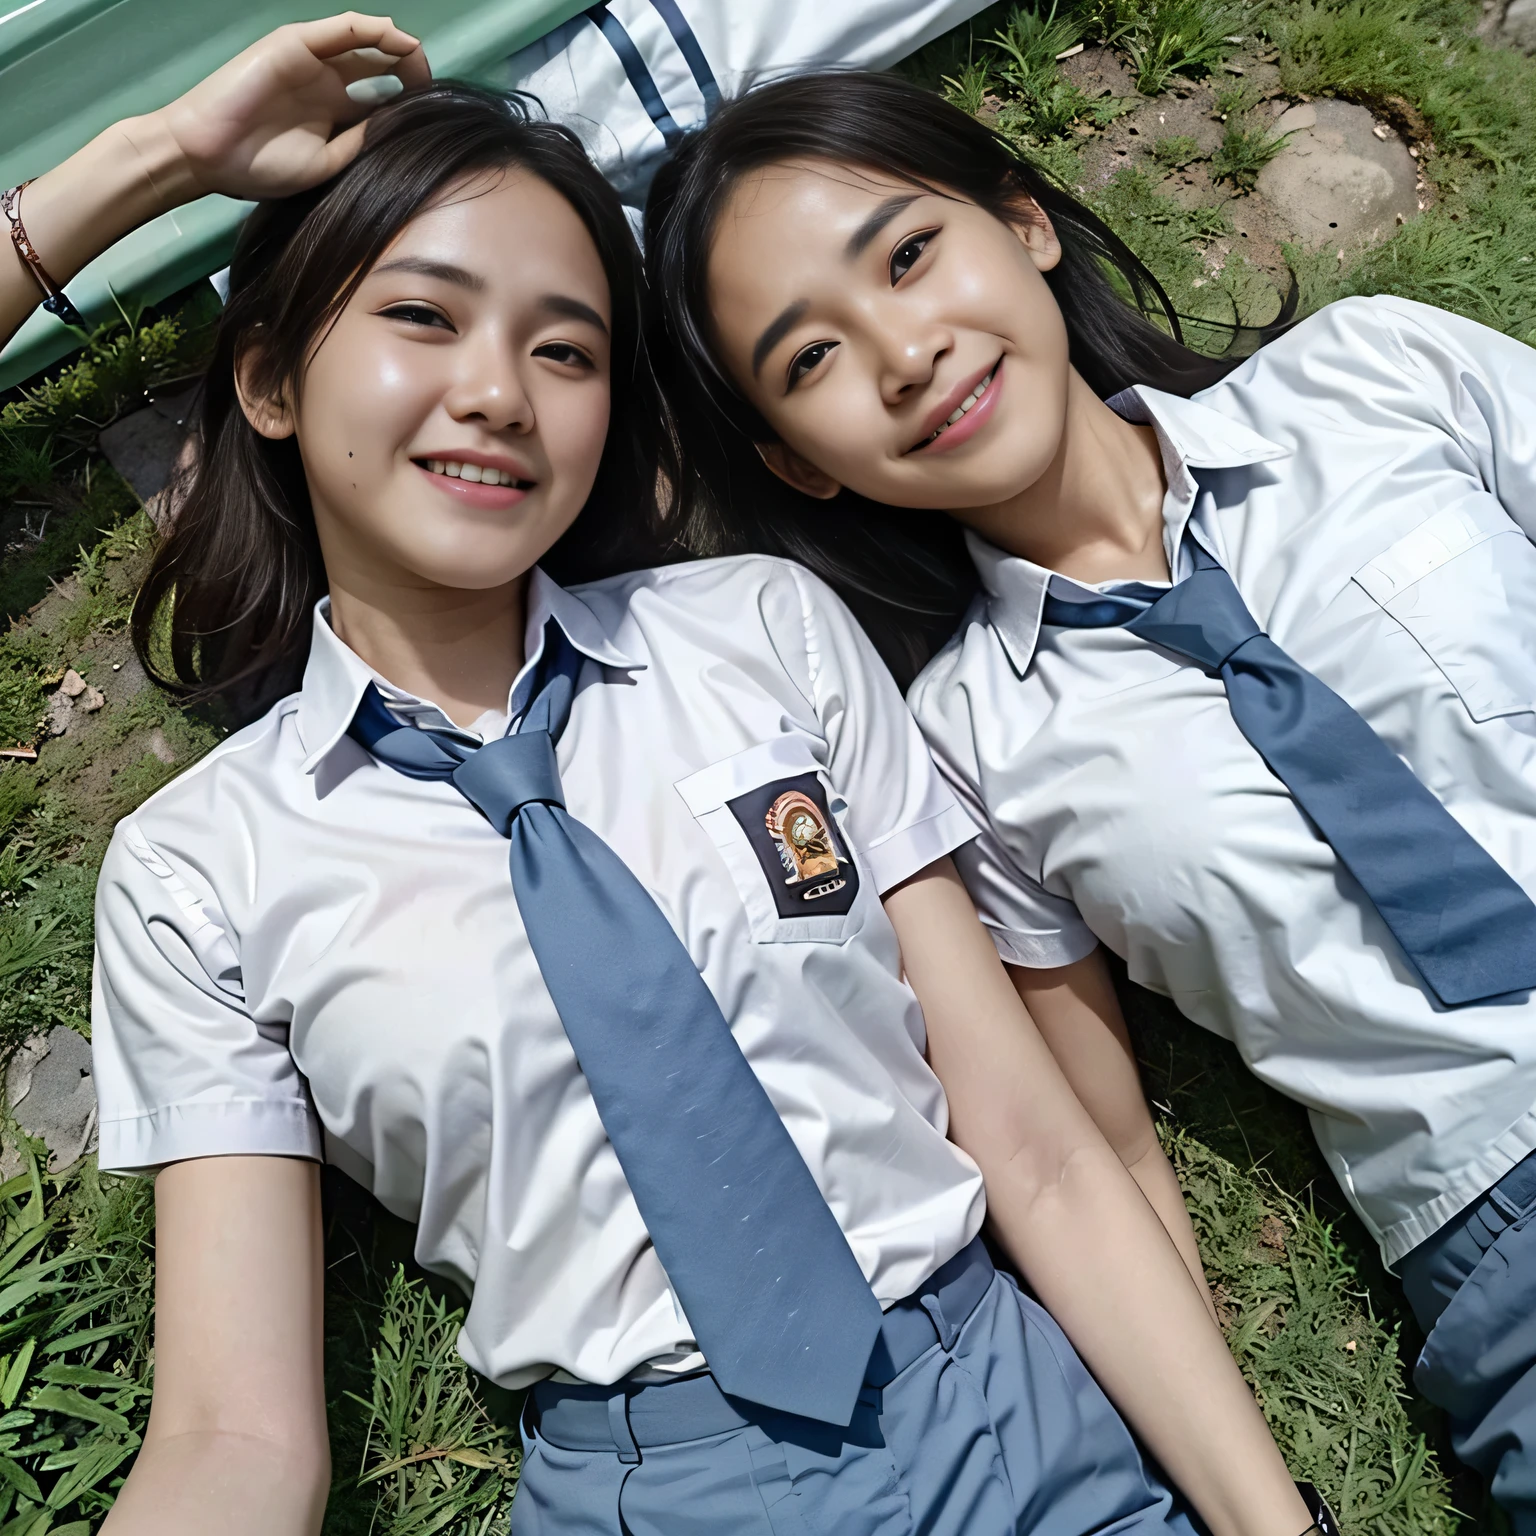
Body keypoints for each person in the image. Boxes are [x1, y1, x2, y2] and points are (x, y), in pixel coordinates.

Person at [4, 20, 1322, 1536]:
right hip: (663, 1490)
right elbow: (237, 1437)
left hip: (1011, 1407)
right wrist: (155, 158)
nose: (498, 392)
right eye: (424, 319)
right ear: (271, 383)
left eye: (563, 349)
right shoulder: (197, 876)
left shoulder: (758, 631)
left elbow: (1034, 1147)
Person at [641, 65, 1536, 1532]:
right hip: (1501, 1214)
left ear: (1024, 222)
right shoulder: (964, 746)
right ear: (797, 461)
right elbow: (1102, 1148)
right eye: (812, 358)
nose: (907, 352)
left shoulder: (1377, 378)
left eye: (911, 254)